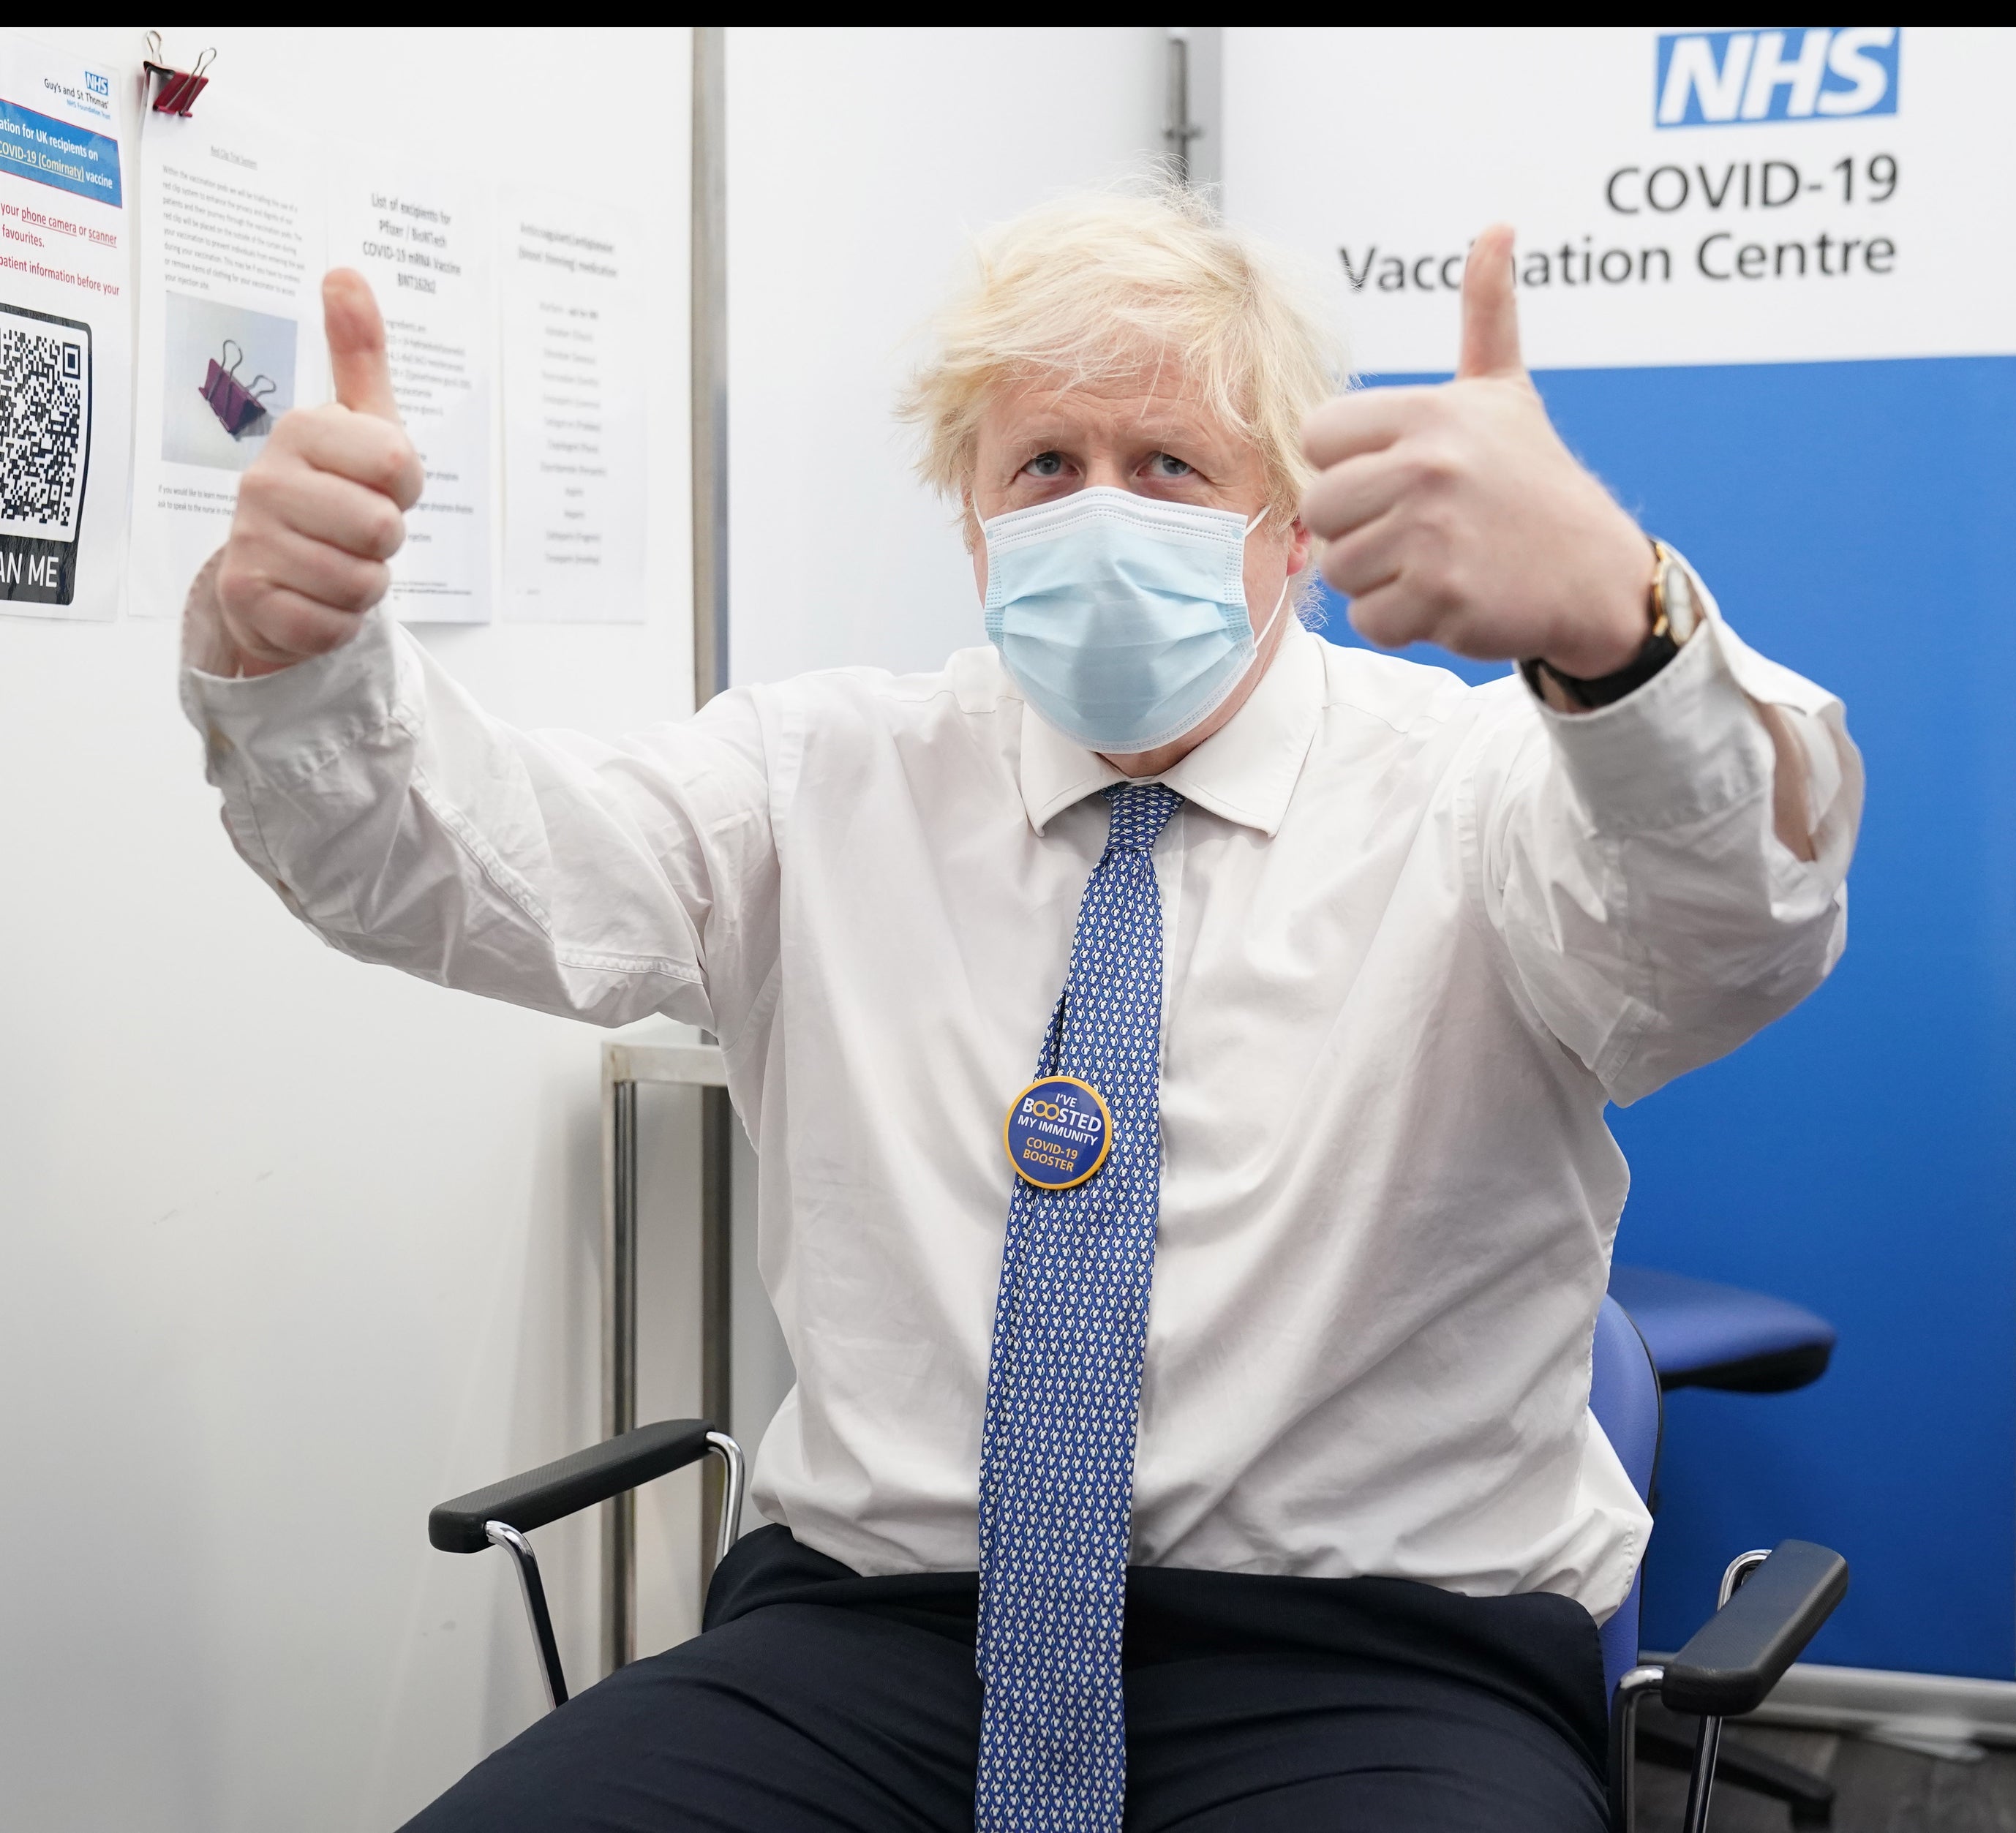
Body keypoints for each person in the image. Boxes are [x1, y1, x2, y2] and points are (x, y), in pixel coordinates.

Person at [181, 187, 1861, 1832]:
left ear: (1286, 523)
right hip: (877, 1628)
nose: (1101, 507)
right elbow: (462, 867)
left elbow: (1725, 926)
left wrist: (1621, 644)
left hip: (1374, 1655)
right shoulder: (822, 773)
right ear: (974, 520)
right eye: (1046, 464)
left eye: (1171, 465)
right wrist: (301, 657)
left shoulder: (1481, 789)